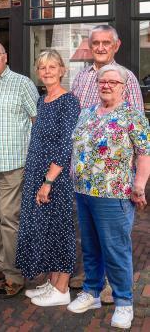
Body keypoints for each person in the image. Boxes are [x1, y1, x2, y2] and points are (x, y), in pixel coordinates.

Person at [68, 64, 149, 330]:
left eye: (113, 82)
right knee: (90, 248)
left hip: (114, 194)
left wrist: (139, 185)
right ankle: (91, 292)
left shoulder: (132, 116)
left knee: (116, 250)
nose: (106, 85)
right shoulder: (86, 113)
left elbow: (144, 154)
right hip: (83, 191)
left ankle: (124, 302)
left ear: (124, 87)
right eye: (103, 81)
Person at [0, 41, 39, 298]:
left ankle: (14, 275)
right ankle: (3, 265)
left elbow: (37, 122)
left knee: (10, 219)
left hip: (14, 164)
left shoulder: (23, 84)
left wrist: (35, 159)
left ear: (5, 56)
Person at [15, 50, 80, 307]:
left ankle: (62, 288)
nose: (47, 71)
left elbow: (66, 145)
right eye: (42, 67)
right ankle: (52, 283)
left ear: (62, 70)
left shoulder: (69, 101)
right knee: (46, 229)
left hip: (55, 178)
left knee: (60, 230)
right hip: (36, 174)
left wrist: (49, 181)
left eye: (52, 67)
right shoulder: (43, 100)